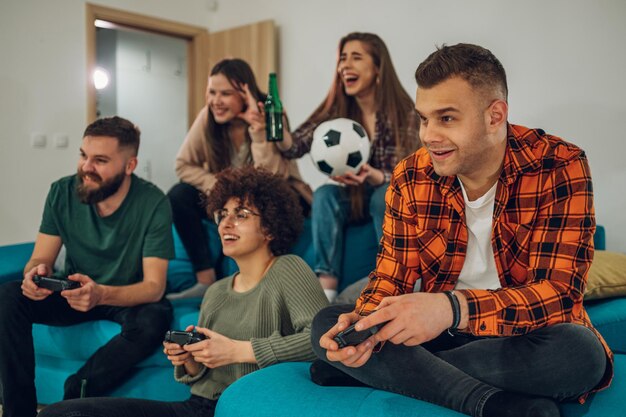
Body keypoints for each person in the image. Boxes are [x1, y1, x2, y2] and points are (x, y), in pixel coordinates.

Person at [311, 43, 612, 417]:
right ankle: (489, 401)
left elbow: (559, 296)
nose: (428, 135)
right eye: (424, 118)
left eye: (447, 118)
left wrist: (452, 308)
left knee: (580, 353)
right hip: (437, 335)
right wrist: (364, 326)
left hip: (519, 337)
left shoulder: (559, 164)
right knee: (327, 323)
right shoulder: (409, 176)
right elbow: (391, 276)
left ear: (494, 115)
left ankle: (389, 374)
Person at [38, 166, 329, 417]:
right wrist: (188, 359)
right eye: (222, 214)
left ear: (269, 228)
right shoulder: (215, 292)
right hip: (197, 407)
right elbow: (199, 378)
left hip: (248, 407)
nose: (226, 223)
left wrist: (237, 351)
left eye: (241, 214)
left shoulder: (288, 269)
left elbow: (321, 340)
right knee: (60, 413)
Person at [0, 117, 174, 417]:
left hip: (122, 295)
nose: (86, 167)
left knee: (156, 317)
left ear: (130, 165)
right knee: (9, 296)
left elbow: (153, 286)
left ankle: (78, 390)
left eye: (100, 160)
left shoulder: (154, 202)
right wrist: (34, 274)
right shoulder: (62, 192)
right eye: (83, 155)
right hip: (74, 290)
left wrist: (102, 294)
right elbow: (41, 257)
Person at [277, 32, 420, 301]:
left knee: (383, 195)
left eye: (356, 57)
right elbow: (294, 146)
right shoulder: (337, 108)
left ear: (378, 67)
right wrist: (274, 122)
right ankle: (327, 284)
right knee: (324, 195)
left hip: (390, 194)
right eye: (342, 59)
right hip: (352, 198)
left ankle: (391, 273)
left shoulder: (405, 111)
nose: (345, 65)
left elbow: (416, 170)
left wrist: (377, 176)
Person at [167, 58, 311, 300]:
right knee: (179, 195)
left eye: (225, 94)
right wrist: (219, 186)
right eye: (212, 92)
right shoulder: (208, 117)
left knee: (259, 205)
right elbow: (182, 164)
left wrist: (258, 131)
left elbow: (273, 176)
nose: (215, 101)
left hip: (274, 194)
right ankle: (205, 279)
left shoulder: (271, 112)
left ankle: (262, 286)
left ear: (245, 94)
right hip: (230, 197)